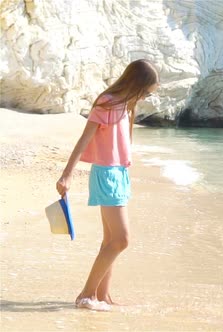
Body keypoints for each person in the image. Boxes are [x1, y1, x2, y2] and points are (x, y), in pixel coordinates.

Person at [56, 59, 159, 311]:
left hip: (120, 173)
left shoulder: (125, 106)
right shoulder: (107, 102)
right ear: (136, 84)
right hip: (107, 174)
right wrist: (67, 174)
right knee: (121, 240)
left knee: (110, 240)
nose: (145, 97)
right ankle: (86, 294)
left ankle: (103, 295)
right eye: (145, 92)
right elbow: (84, 139)